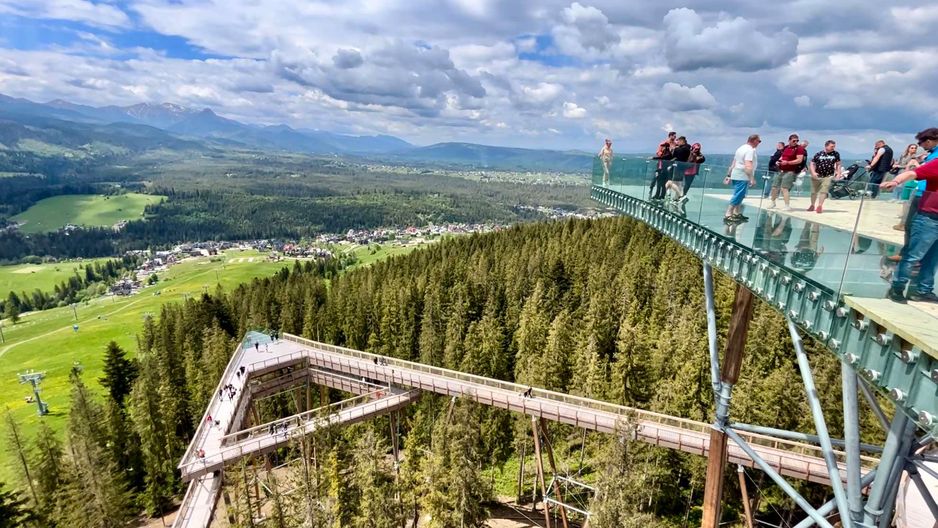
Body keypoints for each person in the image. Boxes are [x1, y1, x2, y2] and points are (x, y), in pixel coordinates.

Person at [882, 151, 938, 303]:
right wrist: (895, 181)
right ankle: (897, 288)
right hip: (929, 218)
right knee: (913, 256)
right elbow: (913, 173)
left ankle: (924, 291)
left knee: (933, 259)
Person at [724, 134, 760, 223]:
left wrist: (729, 175)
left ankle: (736, 212)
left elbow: (734, 162)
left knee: (740, 194)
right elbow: (748, 165)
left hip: (736, 173)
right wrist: (751, 178)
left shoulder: (741, 148)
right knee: (739, 194)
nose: (759, 143)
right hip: (743, 175)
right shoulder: (749, 150)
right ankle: (728, 213)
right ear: (754, 140)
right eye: (759, 141)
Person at [769, 134, 804, 210]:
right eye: (794, 141)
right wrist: (778, 161)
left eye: (797, 141)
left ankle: (787, 205)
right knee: (774, 187)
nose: (796, 142)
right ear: (789, 140)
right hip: (781, 170)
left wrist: (787, 162)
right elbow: (782, 156)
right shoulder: (786, 147)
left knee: (784, 188)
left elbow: (799, 160)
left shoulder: (799, 148)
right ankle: (773, 202)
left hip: (790, 171)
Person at [808, 140, 843, 213]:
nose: (833, 148)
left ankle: (820, 206)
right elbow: (812, 163)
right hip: (817, 175)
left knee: (824, 191)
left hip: (828, 175)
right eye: (832, 146)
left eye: (834, 146)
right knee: (814, 191)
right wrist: (813, 172)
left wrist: (838, 173)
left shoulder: (835, 154)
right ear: (826, 146)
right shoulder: (819, 154)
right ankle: (812, 205)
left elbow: (838, 164)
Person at [665, 136, 692, 202]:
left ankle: (681, 196)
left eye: (678, 141)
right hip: (682, 167)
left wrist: (673, 149)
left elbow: (674, 157)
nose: (677, 142)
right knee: (678, 183)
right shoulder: (688, 149)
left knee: (670, 182)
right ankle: (676, 198)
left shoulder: (679, 149)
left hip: (676, 167)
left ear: (682, 141)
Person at [651, 136, 675, 201]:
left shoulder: (668, 154)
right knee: (659, 183)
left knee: (663, 184)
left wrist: (653, 158)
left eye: (663, 147)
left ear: (666, 147)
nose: (662, 148)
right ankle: (657, 195)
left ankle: (662, 196)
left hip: (664, 171)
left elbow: (662, 158)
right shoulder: (664, 153)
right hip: (660, 169)